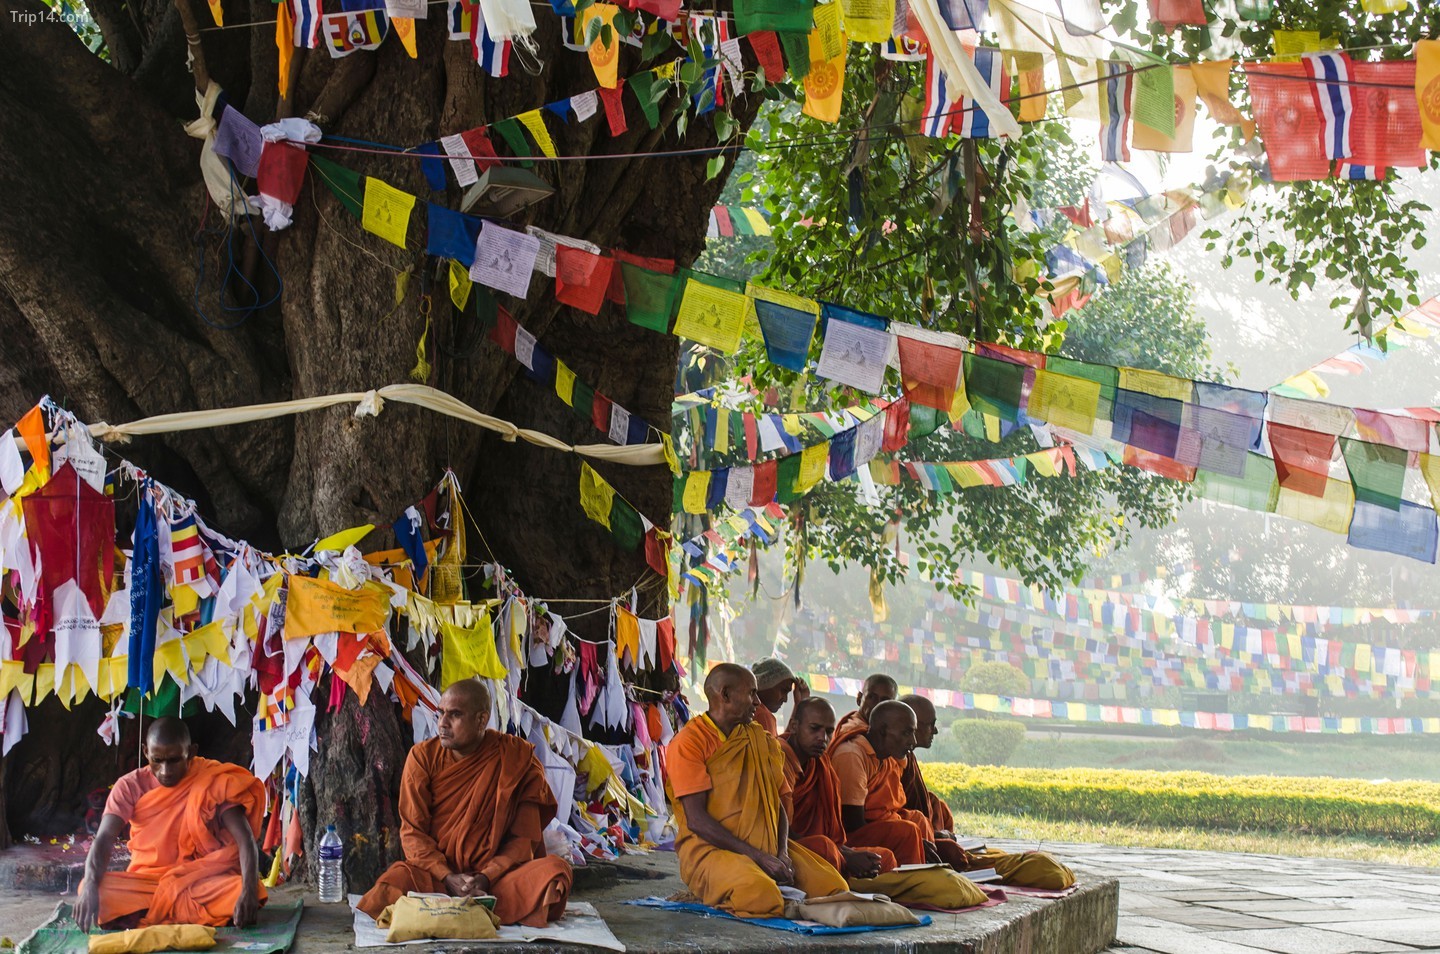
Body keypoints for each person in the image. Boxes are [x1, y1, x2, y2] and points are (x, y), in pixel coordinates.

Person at [357, 680, 572, 927]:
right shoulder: (422, 758)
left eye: (455, 715)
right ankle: (479, 909)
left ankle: (447, 908)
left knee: (556, 872)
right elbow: (413, 834)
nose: (442, 723)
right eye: (440, 713)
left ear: (481, 720)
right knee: (392, 884)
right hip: (436, 878)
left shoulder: (515, 759)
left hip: (495, 881)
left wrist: (485, 877)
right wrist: (447, 876)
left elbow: (523, 841)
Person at [665, 663, 847, 918]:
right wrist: (759, 858)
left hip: (769, 850)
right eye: (752, 693)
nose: (757, 702)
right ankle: (714, 892)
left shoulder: (760, 739)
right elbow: (697, 821)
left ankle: (779, 897)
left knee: (834, 888)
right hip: (712, 851)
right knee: (762, 897)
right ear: (725, 694)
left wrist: (782, 852)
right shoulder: (689, 743)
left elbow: (777, 806)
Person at [75, 718, 265, 931]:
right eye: (157, 760)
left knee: (248, 889)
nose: (165, 771)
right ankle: (184, 914)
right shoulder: (129, 786)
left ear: (191, 752)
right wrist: (91, 884)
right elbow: (104, 838)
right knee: (90, 889)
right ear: (146, 752)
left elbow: (245, 838)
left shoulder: (210, 780)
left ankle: (147, 915)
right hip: (145, 883)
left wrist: (247, 891)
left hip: (196, 881)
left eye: (174, 760)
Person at [781, 697, 922, 875]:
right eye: (814, 728)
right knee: (826, 848)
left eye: (829, 731)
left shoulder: (819, 762)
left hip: (826, 843)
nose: (822, 738)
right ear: (794, 726)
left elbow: (832, 830)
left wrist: (846, 852)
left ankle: (897, 894)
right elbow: (780, 829)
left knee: (884, 858)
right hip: (790, 846)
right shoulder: (780, 758)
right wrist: (844, 854)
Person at [831, 673, 898, 741]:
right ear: (859, 699)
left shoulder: (882, 736)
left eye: (885, 701)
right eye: (871, 697)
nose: (878, 704)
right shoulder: (852, 735)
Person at [750, 657, 808, 736]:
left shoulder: (747, 710)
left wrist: (798, 704)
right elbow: (778, 747)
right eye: (783, 690)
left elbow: (778, 743)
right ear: (764, 684)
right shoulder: (761, 715)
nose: (785, 699)